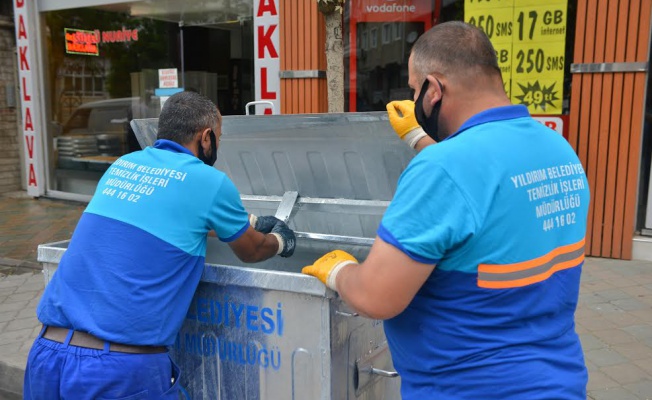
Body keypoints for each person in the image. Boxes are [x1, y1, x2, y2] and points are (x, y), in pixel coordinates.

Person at [303, 21, 589, 399]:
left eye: (413, 88)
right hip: (559, 380)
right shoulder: (558, 150)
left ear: (434, 90)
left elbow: (377, 297)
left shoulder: (443, 169)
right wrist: (419, 139)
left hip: (467, 388)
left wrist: (340, 271)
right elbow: (486, 198)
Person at [24, 91, 296, 399]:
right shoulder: (209, 181)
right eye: (219, 137)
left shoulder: (123, 166)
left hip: (48, 357)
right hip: (117, 371)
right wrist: (279, 239)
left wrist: (249, 222)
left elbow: (171, 220)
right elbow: (253, 250)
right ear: (206, 137)